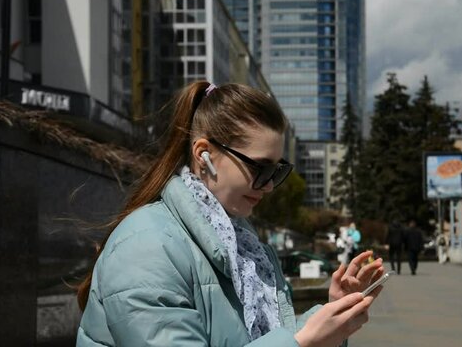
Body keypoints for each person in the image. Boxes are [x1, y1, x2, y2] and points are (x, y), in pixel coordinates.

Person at [75, 82, 386, 346]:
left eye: (278, 172)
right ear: (203, 155)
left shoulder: (244, 245)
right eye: (259, 168)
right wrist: (303, 342)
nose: (269, 186)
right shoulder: (147, 247)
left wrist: (332, 315)